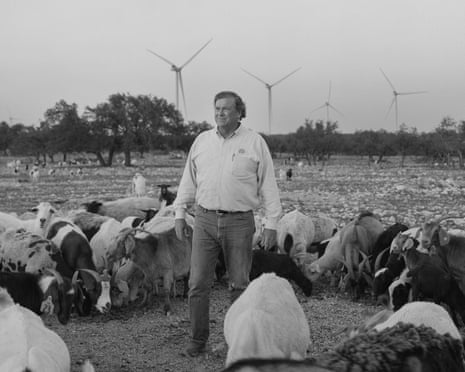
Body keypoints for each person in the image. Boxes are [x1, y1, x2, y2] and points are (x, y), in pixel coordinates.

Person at [173, 91, 282, 357]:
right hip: (204, 220)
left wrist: (272, 223)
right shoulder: (202, 141)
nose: (220, 113)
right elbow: (189, 179)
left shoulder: (255, 142)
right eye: (217, 108)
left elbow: (268, 184)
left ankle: (236, 343)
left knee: (239, 285)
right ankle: (198, 342)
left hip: (240, 222)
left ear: (238, 112)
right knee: (197, 283)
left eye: (225, 109)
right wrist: (179, 212)